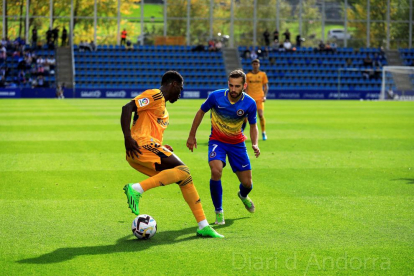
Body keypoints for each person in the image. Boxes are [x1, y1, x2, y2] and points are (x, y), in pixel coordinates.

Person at [121, 71, 223, 238]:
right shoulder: (156, 95)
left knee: (184, 178)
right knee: (183, 170)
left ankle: (203, 225)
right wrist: (127, 137)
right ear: (173, 84)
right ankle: (136, 189)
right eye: (180, 89)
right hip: (139, 145)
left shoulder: (163, 109)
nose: (180, 94)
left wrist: (161, 147)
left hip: (145, 150)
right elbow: (127, 108)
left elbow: (147, 126)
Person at [186, 69, 260, 226]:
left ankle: (243, 195)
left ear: (244, 86)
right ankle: (219, 212)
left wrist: (255, 143)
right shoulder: (216, 96)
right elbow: (200, 112)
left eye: (237, 86)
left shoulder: (250, 103)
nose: (233, 90)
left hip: (237, 144)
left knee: (247, 184)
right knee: (216, 170)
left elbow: (253, 125)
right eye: (231, 85)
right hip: (217, 141)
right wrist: (192, 135)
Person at [245, 59, 269, 140]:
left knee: (261, 115)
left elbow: (266, 86)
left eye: (257, 64)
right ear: (252, 65)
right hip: (250, 99)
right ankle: (241, 134)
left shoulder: (262, 74)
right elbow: (245, 87)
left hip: (259, 98)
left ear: (259, 65)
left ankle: (263, 132)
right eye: (254, 64)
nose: (255, 65)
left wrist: (264, 96)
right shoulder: (248, 75)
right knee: (246, 117)